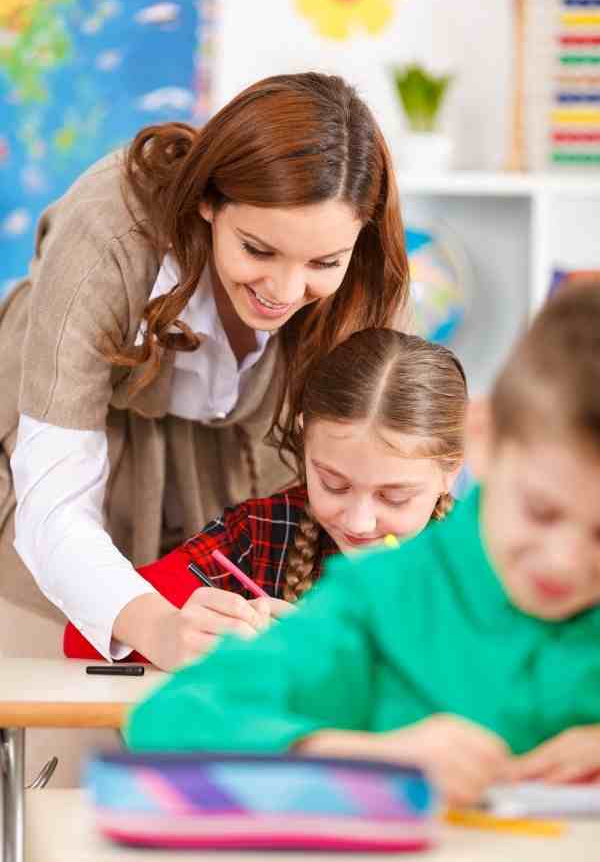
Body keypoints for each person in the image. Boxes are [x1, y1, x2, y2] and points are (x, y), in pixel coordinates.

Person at [126, 282, 600, 808]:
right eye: (541, 512)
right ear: (483, 442)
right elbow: (167, 722)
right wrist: (356, 756)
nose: (566, 560)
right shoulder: (377, 599)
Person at [0, 72, 410, 675]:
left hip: (233, 499)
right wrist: (158, 627)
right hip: (49, 503)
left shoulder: (370, 279)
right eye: (259, 250)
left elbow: (396, 477)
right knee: (62, 722)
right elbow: (53, 502)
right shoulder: (109, 234)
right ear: (208, 200)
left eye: (324, 262)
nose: (285, 291)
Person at [63, 328, 467, 662]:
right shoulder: (259, 534)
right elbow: (81, 637)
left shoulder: (492, 561)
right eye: (334, 484)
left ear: (451, 471)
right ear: (305, 441)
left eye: (394, 497)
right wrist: (175, 633)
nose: (359, 522)